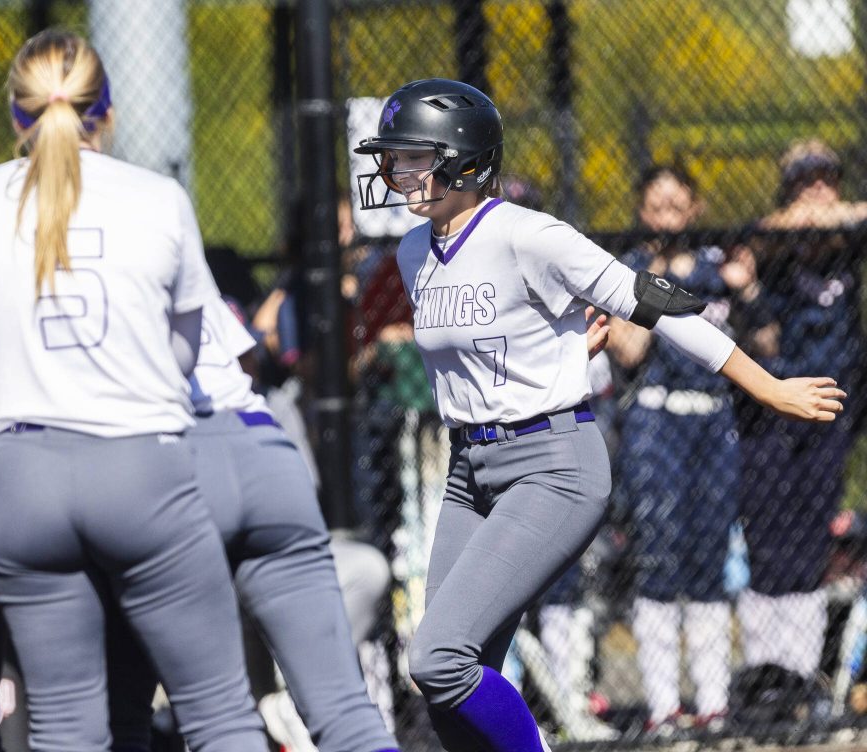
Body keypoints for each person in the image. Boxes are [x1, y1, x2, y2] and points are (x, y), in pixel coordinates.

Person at [352, 78, 846, 752]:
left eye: (409, 156)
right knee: (450, 682)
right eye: (391, 157)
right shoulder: (415, 251)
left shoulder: (530, 235)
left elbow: (656, 300)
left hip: (551, 466)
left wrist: (768, 386)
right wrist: (554, 351)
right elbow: (484, 350)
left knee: (438, 657)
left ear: (462, 159)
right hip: (471, 470)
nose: (392, 171)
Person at [0, 29, 266, 751]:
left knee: (64, 726)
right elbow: (188, 346)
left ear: (17, 115)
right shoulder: (157, 194)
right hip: (139, 464)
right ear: (106, 112)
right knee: (216, 711)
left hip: (24, 475)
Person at [107, 294, 399, 752]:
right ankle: (274, 710)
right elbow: (243, 358)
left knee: (210, 718)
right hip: (254, 444)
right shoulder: (167, 235)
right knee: (345, 713)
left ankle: (272, 709)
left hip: (167, 453)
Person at [731, 138, 867, 701]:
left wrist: (831, 215)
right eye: (804, 177)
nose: (817, 187)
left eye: (826, 176)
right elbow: (750, 243)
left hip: (835, 406)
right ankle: (768, 675)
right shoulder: (771, 243)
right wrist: (798, 220)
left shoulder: (847, 244)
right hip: (774, 407)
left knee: (813, 542)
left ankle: (803, 678)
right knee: (768, 540)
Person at [607, 165, 740, 733]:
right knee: (658, 557)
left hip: (712, 421)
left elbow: (751, 343)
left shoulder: (717, 271)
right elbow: (628, 353)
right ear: (643, 212)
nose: (666, 217)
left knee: (709, 561)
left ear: (695, 208)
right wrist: (654, 280)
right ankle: (663, 705)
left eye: (676, 205)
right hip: (656, 420)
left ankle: (713, 702)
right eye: (655, 206)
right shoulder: (632, 270)